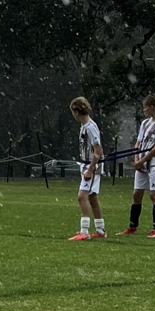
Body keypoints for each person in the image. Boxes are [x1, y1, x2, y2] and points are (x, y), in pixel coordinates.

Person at [124, 93, 155, 239]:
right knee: (137, 194)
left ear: (152, 107)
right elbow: (138, 142)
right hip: (141, 162)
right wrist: (137, 159)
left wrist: (142, 160)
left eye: (145, 107)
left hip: (154, 163)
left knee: (153, 194)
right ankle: (132, 226)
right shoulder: (145, 123)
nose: (144, 110)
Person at [68, 97, 105, 240]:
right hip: (87, 165)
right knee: (92, 197)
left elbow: (98, 150)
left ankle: (84, 231)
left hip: (91, 166)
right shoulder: (84, 126)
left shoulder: (90, 127)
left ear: (77, 112)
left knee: (81, 196)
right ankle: (100, 230)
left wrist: (91, 169)